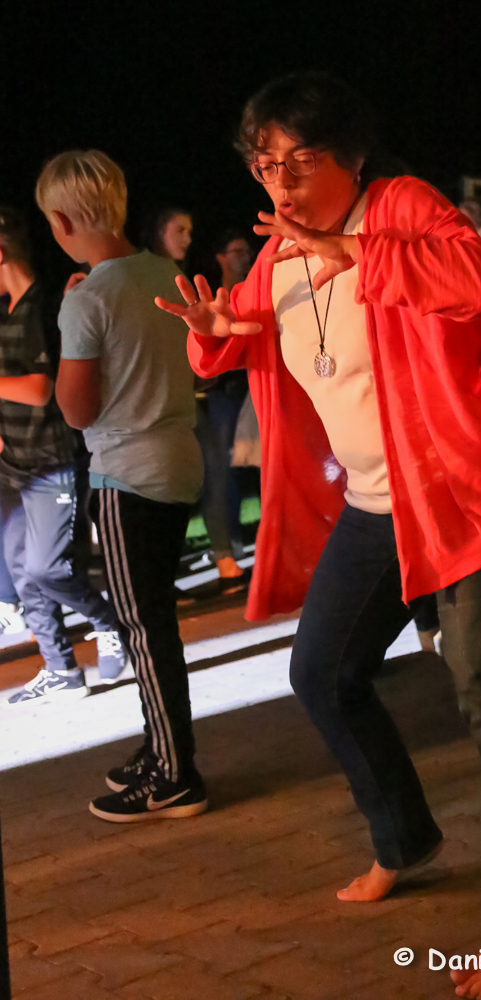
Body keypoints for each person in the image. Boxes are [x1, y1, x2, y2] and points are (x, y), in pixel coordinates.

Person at [157, 72, 481, 1000]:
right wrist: (215, 330)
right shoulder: (276, 252)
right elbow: (246, 334)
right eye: (263, 163)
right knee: (322, 673)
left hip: (468, 489)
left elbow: (470, 282)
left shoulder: (399, 205)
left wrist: (351, 250)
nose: (278, 180)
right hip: (380, 501)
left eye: (298, 159)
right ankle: (405, 837)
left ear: (348, 154)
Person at [35, 151, 207, 820]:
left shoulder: (88, 298)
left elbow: (76, 410)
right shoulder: (165, 272)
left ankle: (174, 771)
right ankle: (160, 744)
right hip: (180, 454)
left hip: (127, 471)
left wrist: (69, 318)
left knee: (143, 625)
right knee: (154, 616)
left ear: (60, 220)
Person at [0, 206, 126, 704]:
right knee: (21, 571)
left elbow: (38, 389)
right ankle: (61, 669)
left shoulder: (43, 307)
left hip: (52, 462)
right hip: (14, 465)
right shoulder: (5, 310)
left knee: (48, 570)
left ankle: (110, 623)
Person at [194, 228, 255, 586]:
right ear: (221, 257)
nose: (245, 258)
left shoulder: (255, 287)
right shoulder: (214, 294)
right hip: (224, 393)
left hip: (254, 386)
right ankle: (228, 552)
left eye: (247, 251)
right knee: (221, 471)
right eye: (237, 251)